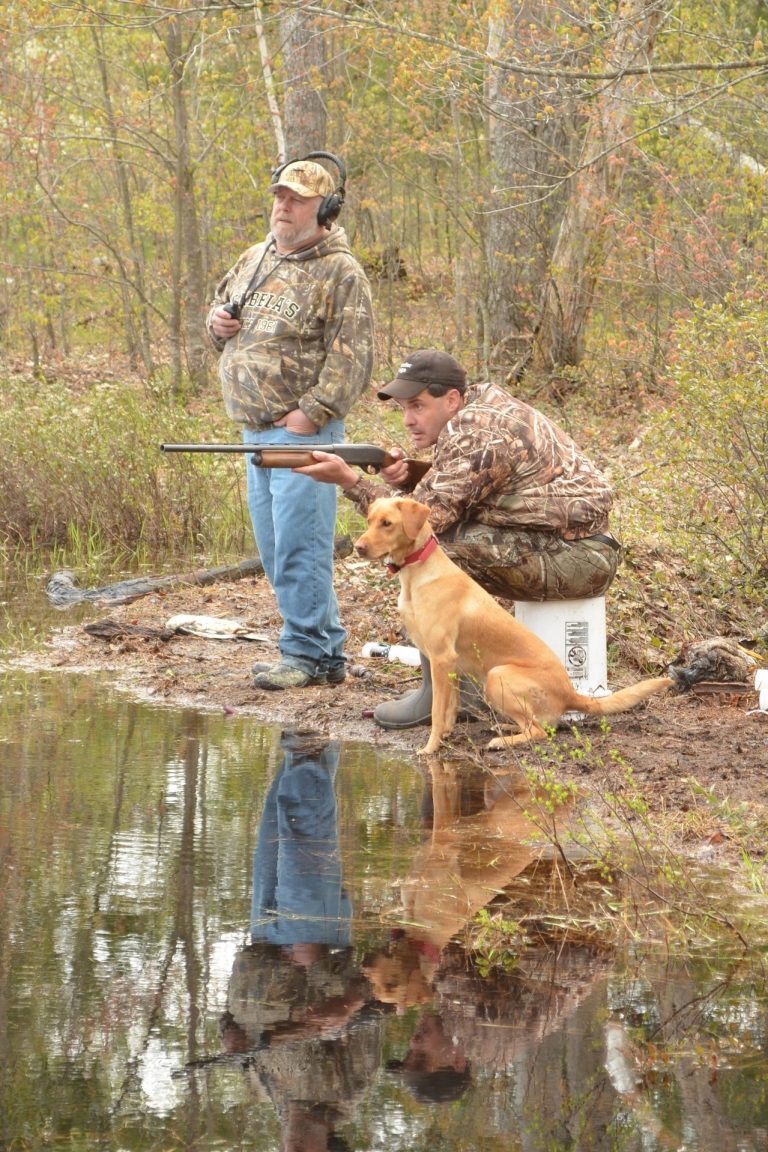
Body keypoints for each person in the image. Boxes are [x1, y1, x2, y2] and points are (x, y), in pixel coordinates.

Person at [295, 348, 621, 728]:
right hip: (572, 547)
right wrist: (407, 478)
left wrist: (350, 482)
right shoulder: (481, 409)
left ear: (451, 400)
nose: (408, 419)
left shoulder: (477, 432)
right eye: (403, 408)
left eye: (417, 406)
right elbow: (464, 490)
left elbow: (419, 525)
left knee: (434, 550)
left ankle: (443, 698)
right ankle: (464, 688)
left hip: (578, 558)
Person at [206, 155, 374, 690]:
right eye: (280, 196)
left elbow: (354, 356)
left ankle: (303, 653)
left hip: (302, 433)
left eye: (297, 199)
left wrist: (313, 412)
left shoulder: (340, 271)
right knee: (276, 548)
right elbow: (218, 315)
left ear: (325, 209)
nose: (283, 206)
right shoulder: (255, 257)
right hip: (254, 431)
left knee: (302, 545)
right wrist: (217, 324)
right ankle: (323, 652)